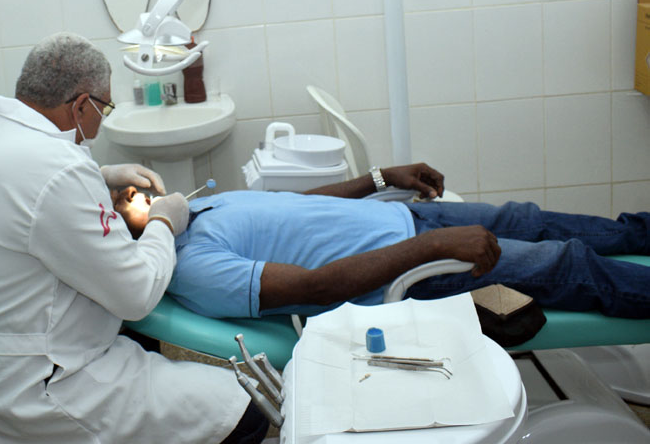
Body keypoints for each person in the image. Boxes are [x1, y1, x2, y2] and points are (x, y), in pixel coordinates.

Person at [0, 33, 267, 444]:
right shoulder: (57, 170)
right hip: (42, 390)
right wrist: (163, 222)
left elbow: (23, 195)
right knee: (248, 413)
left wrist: (99, 177)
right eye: (104, 108)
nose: (102, 120)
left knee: (139, 347)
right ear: (81, 105)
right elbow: (137, 294)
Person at [112, 164, 650, 320]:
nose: (131, 190)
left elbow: (300, 205)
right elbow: (318, 288)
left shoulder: (195, 210)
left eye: (123, 186)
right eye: (119, 201)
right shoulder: (193, 268)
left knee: (526, 219)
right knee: (563, 264)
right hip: (411, 273)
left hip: (406, 221)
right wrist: (436, 248)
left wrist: (380, 178)